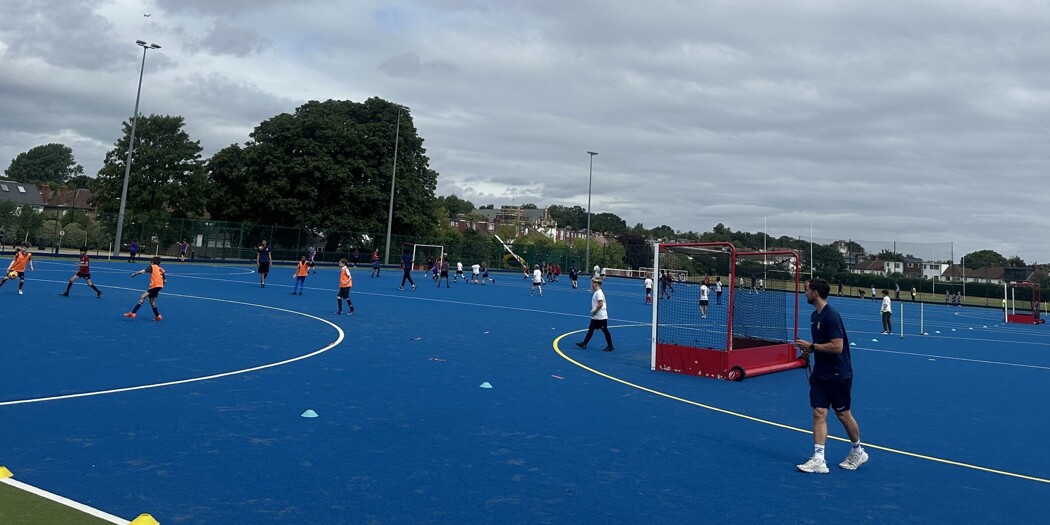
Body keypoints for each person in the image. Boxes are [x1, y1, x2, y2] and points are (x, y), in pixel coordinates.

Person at [794, 278, 867, 474]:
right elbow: (819, 345)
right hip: (821, 373)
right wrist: (809, 352)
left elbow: (837, 346)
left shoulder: (831, 316)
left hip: (839, 374)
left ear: (816, 292)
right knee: (819, 412)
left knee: (843, 414)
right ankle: (819, 458)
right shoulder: (813, 316)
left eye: (807, 289)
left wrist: (811, 346)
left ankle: (858, 451)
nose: (805, 292)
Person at [574, 276, 614, 351]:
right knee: (591, 329)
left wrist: (594, 311)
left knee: (604, 330)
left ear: (596, 284)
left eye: (592, 283)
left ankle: (610, 345)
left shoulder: (598, 293)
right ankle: (584, 343)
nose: (591, 284)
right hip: (596, 316)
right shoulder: (597, 292)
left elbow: (600, 304)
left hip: (600, 316)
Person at [124, 256, 166, 321]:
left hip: (154, 286)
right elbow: (165, 281)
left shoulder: (152, 267)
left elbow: (143, 271)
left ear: (152, 262)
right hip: (159, 286)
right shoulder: (161, 269)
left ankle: (133, 313)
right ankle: (158, 316)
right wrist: (159, 286)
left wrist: (135, 273)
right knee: (151, 301)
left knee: (143, 296)